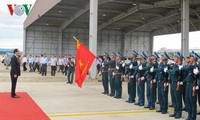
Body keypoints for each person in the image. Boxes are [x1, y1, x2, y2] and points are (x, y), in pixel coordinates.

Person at [181, 52, 199, 120]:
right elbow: (188, 76)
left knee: (192, 102)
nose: (189, 58)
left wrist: (198, 85)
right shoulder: (191, 65)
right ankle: (189, 116)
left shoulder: (196, 66)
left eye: (191, 57)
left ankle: (193, 117)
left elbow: (199, 77)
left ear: (194, 58)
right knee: (187, 101)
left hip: (193, 85)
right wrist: (183, 81)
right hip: (188, 85)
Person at [168, 52, 183, 119]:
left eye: (175, 57)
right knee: (174, 98)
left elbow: (173, 72)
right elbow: (171, 73)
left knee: (178, 99)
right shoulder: (175, 65)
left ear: (178, 58)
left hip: (177, 84)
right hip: (172, 83)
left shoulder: (180, 66)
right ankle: (175, 111)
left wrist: (170, 71)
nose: (174, 59)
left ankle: (179, 113)